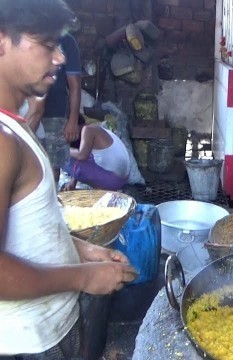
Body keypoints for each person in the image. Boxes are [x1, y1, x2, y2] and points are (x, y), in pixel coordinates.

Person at [0, 1, 137, 358]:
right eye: (47, 44)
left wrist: (86, 253)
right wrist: (84, 277)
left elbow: (32, 230)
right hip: (29, 345)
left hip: (53, 328)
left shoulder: (15, 128)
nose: (60, 58)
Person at [25, 32, 82, 187]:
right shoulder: (26, 36)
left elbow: (74, 85)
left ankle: (52, 197)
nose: (59, 58)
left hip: (54, 113)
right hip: (26, 111)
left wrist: (72, 120)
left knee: (52, 165)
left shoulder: (67, 41)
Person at [61, 115, 131, 191]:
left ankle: (101, 189)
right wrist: (73, 182)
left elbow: (82, 156)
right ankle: (101, 188)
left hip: (112, 180)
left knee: (61, 156)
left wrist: (63, 148)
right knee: (76, 156)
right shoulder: (95, 129)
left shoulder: (87, 130)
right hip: (122, 179)